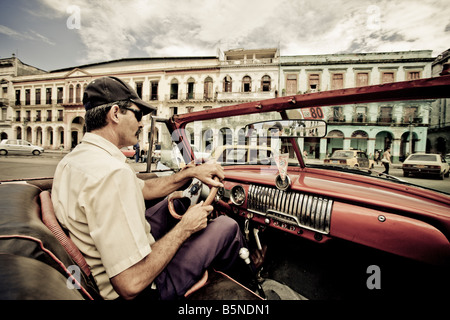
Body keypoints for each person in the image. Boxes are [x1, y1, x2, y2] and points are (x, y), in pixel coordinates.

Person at [52, 76, 249, 300]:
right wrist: (185, 228)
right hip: (143, 288)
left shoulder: (75, 159)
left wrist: (188, 173)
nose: (142, 123)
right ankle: (251, 282)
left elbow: (143, 189)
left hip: (99, 261)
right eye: (138, 114)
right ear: (115, 113)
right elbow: (131, 284)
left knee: (178, 204)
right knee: (226, 225)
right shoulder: (113, 175)